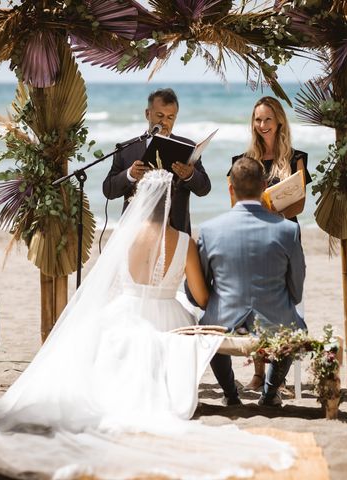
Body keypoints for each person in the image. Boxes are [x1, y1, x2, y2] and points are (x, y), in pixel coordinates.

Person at [0, 170, 294, 479]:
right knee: (183, 334)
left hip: (125, 313)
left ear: (139, 199)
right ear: (171, 200)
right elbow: (201, 298)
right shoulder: (184, 242)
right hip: (167, 316)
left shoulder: (119, 239)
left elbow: (109, 285)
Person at [196, 157, 306, 407]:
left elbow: (199, 289)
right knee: (294, 324)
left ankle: (230, 394)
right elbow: (296, 289)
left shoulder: (209, 230)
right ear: (265, 185)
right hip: (274, 321)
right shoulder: (288, 230)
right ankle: (269, 394)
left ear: (230, 188)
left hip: (223, 321)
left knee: (209, 324)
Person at [230, 96, 311, 390]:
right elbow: (234, 205)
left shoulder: (296, 158)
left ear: (279, 122)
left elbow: (299, 205)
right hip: (253, 240)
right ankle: (257, 374)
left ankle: (279, 376)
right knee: (256, 308)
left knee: (285, 305)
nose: (262, 125)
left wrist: (274, 213)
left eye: (267, 119)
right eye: (257, 119)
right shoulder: (243, 161)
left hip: (286, 240)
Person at [102, 88, 211, 234]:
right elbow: (108, 190)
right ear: (148, 114)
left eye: (170, 117)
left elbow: (204, 189)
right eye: (160, 115)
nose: (164, 122)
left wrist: (190, 174)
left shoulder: (189, 148)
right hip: (134, 232)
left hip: (175, 231)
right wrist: (130, 174)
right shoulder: (126, 149)